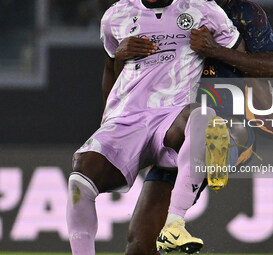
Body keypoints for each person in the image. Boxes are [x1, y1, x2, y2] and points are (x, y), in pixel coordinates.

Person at [124, 0, 273, 254]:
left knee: (221, 127)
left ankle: (221, 149)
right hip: (175, 133)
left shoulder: (244, 14)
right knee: (141, 244)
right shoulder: (167, 12)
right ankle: (209, 152)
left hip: (229, 121)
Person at [66, 0, 244, 254]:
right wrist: (109, 123)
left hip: (171, 116)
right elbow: (110, 69)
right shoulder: (116, 16)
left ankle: (174, 225)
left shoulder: (203, 10)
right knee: (80, 178)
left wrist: (213, 49)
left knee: (203, 118)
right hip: (127, 121)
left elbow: (242, 59)